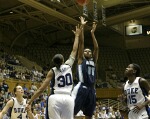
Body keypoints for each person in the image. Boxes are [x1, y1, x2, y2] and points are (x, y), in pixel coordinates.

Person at [26, 24, 82, 119]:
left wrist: (30, 101)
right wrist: (77, 36)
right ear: (63, 60)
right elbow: (74, 50)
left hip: (55, 98)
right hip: (68, 98)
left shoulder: (52, 71)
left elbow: (41, 89)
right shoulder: (68, 65)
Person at [71, 16, 99, 119]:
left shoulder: (94, 60)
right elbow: (81, 43)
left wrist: (92, 33)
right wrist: (82, 27)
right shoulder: (80, 59)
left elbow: (96, 47)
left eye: (89, 51)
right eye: (85, 51)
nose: (87, 51)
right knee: (72, 112)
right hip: (81, 87)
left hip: (92, 89)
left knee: (89, 114)